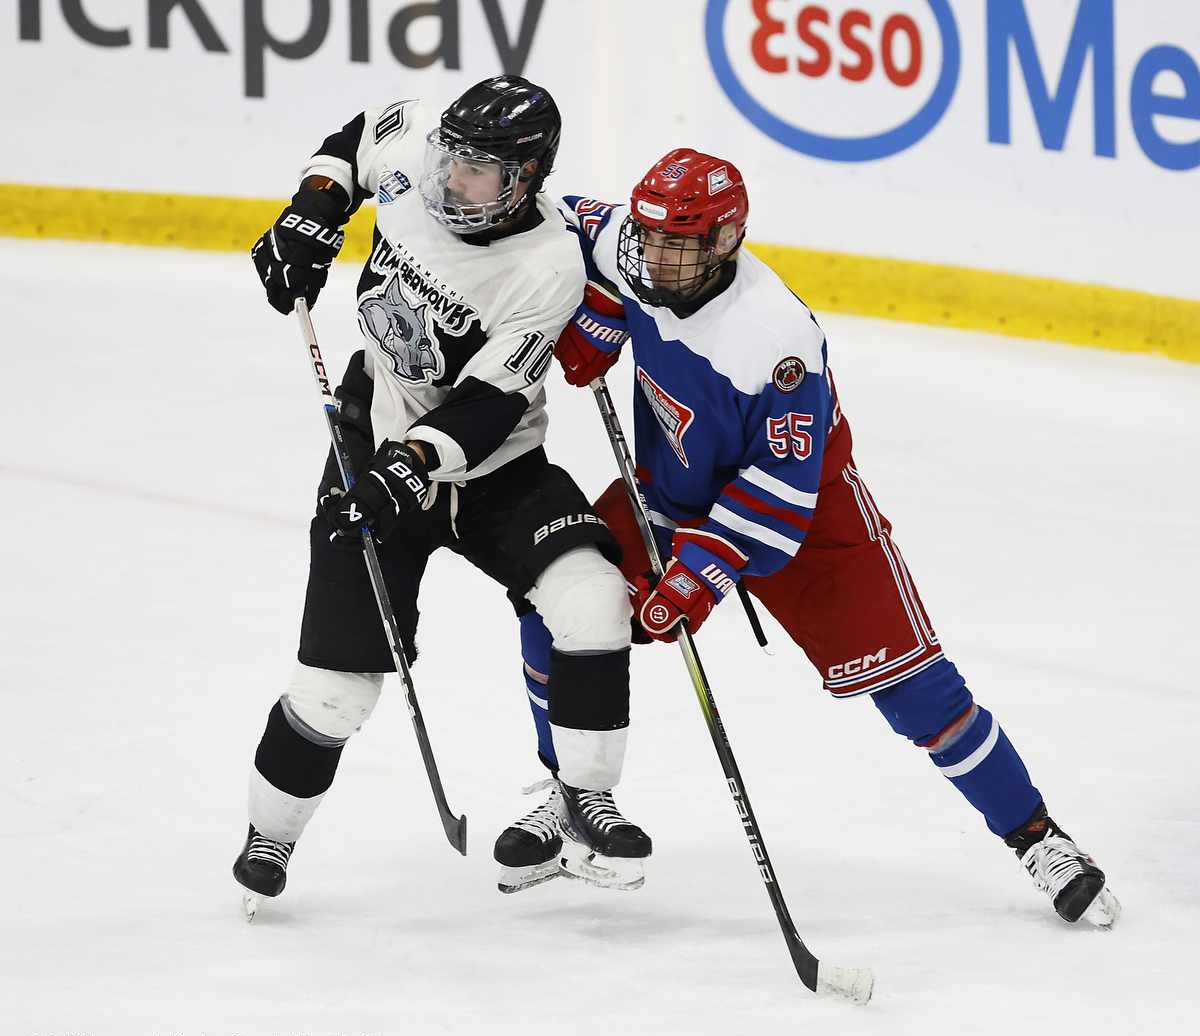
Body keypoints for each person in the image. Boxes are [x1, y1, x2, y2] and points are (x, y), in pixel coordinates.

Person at [508, 148, 1120, 928]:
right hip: (667, 497)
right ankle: (574, 794)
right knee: (558, 594)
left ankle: (1039, 837)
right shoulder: (637, 245)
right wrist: (597, 305)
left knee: (919, 693)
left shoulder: (774, 336)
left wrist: (698, 578)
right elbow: (548, 215)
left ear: (726, 241)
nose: (655, 257)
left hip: (808, 518)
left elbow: (780, 489)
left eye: (679, 245)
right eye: (649, 240)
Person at [232, 76, 653, 907]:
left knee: (595, 599)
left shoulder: (546, 266)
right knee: (335, 688)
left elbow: (493, 403)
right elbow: (358, 140)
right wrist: (314, 205)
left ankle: (585, 797)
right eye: (450, 158)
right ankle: (268, 837)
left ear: (527, 176)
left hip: (495, 470)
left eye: (478, 170)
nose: (449, 180)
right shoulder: (420, 137)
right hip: (374, 434)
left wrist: (410, 466)